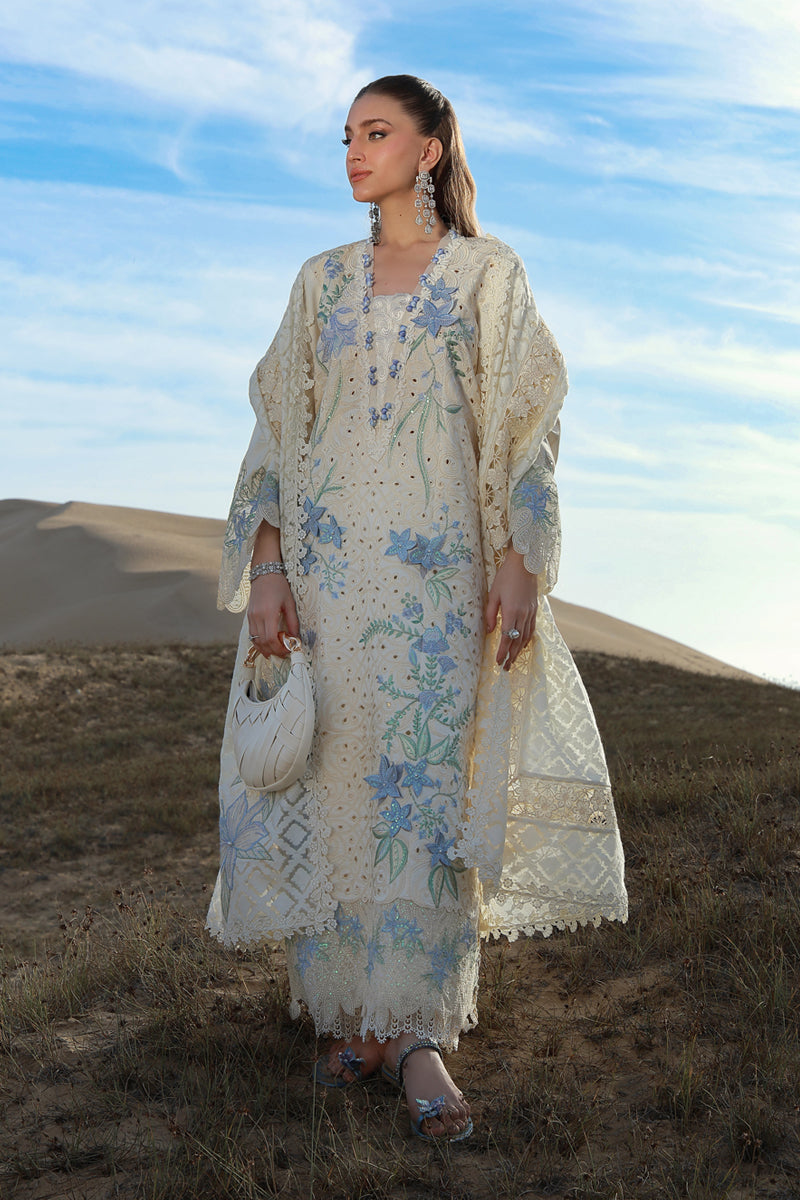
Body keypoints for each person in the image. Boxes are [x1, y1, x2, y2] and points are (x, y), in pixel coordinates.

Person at [206, 74, 627, 1142]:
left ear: (428, 150)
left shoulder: (489, 275)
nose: (354, 151)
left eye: (377, 132)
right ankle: (350, 1016)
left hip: (438, 579)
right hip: (327, 580)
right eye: (347, 135)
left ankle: (418, 1034)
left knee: (424, 791)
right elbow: (274, 435)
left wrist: (521, 558)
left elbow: (526, 426)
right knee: (338, 781)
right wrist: (267, 570)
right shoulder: (317, 284)